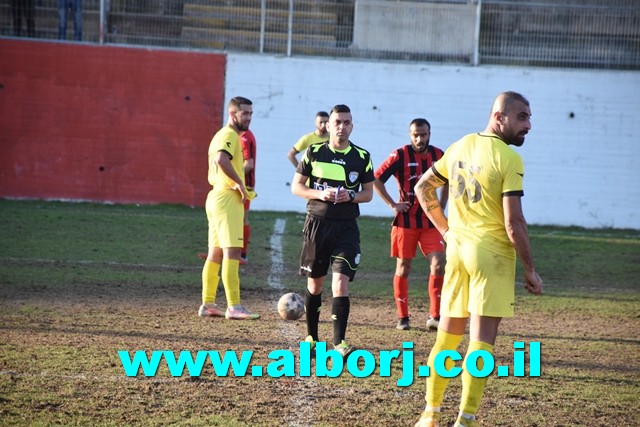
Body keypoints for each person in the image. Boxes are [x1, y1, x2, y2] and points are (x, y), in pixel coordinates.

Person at [413, 91, 543, 427]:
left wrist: (445, 231)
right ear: (499, 116)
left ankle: (430, 413)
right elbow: (514, 223)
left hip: (457, 253)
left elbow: (422, 188)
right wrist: (530, 269)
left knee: (448, 337)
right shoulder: (508, 159)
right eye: (522, 117)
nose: (528, 125)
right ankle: (466, 419)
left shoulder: (459, 145)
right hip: (492, 257)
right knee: (480, 341)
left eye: (529, 117)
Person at [291, 104, 374, 357]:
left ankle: (339, 343)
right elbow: (297, 186)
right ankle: (313, 339)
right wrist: (320, 193)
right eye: (337, 122)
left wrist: (350, 195)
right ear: (328, 125)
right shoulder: (314, 152)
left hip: (346, 229)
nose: (342, 126)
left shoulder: (361, 157)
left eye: (347, 122)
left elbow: (368, 194)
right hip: (317, 226)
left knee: (340, 283)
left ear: (352, 125)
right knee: (315, 285)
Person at [373, 118, 448, 332]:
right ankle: (403, 317)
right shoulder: (400, 155)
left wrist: (441, 206)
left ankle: (435, 316)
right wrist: (392, 204)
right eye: (415, 135)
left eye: (423, 134)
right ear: (410, 135)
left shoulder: (439, 156)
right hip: (406, 222)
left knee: (439, 264)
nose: (419, 138)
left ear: (429, 134)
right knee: (403, 268)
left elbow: (449, 181)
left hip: (431, 222)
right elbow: (376, 179)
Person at [198, 96, 259, 321]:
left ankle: (208, 303)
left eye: (251, 113)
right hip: (226, 199)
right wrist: (238, 184)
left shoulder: (220, 135)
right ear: (233, 114)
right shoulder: (230, 135)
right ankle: (234, 307)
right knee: (232, 253)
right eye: (245, 113)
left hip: (215, 197)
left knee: (215, 253)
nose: (249, 118)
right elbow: (223, 160)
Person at [239, 129, 257, 264]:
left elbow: (248, 165)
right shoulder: (242, 136)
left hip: (244, 186)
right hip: (243, 185)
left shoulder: (244, 137)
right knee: (239, 218)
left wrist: (234, 179)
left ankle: (242, 254)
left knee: (242, 218)